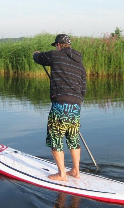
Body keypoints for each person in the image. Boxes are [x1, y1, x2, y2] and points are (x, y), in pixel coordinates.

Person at [33, 34, 86, 181]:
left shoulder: (55, 56)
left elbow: (39, 58)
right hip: (76, 107)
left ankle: (62, 174)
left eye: (56, 45)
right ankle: (76, 170)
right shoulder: (80, 64)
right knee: (73, 138)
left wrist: (35, 54)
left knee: (55, 138)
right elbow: (83, 89)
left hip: (60, 106)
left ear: (58, 45)